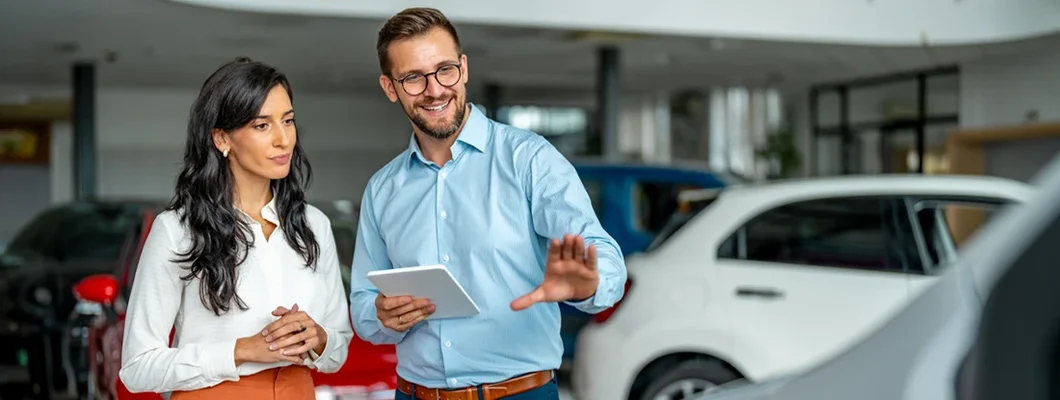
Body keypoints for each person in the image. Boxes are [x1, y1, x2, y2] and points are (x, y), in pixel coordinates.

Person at [349, 7, 627, 400]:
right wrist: (381, 316)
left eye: (445, 70)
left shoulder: (529, 159)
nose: (434, 90)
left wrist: (588, 284)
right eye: (413, 78)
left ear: (463, 68)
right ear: (390, 87)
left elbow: (604, 254)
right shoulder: (382, 189)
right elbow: (362, 305)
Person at [118, 57, 353, 400]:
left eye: (288, 121)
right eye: (262, 125)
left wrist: (318, 338)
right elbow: (137, 367)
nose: (283, 139)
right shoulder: (177, 231)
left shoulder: (314, 225)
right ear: (222, 139)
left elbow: (338, 351)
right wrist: (240, 351)